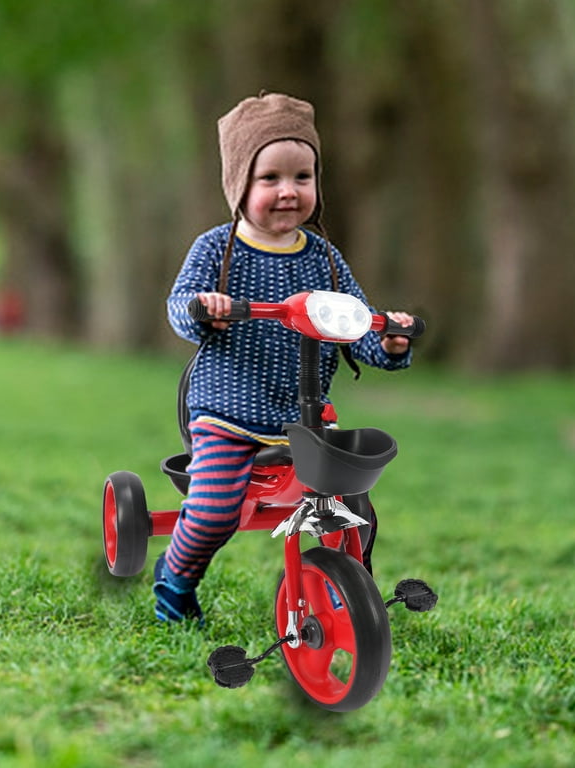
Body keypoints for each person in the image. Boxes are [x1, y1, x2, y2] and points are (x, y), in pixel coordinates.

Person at [154, 91, 415, 624]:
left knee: (353, 509)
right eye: (269, 178)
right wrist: (206, 309)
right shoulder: (216, 249)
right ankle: (176, 579)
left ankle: (349, 591)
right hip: (226, 413)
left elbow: (354, 323)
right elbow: (180, 307)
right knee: (214, 511)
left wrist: (386, 340)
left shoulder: (324, 258)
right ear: (239, 185)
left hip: (304, 417)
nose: (288, 191)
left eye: (302, 177)